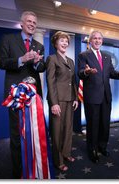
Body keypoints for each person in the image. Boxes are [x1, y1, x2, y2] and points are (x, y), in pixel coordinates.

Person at [0, 11, 45, 178]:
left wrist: (38, 63)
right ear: (22, 23)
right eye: (29, 21)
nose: (32, 24)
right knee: (18, 135)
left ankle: (34, 170)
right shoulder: (8, 39)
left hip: (33, 96)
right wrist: (21, 60)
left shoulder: (39, 45)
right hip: (15, 96)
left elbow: (41, 68)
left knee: (34, 135)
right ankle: (19, 174)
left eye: (34, 22)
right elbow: (0, 62)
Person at [78, 30, 119, 163]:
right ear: (90, 41)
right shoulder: (83, 55)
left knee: (104, 124)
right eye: (95, 38)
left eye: (100, 39)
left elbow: (112, 73)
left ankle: (102, 146)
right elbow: (80, 73)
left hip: (106, 97)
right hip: (92, 97)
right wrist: (86, 72)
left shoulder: (106, 56)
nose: (97, 41)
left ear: (102, 41)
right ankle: (92, 150)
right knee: (93, 125)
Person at [46, 31, 78, 171]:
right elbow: (50, 82)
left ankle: (66, 153)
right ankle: (58, 161)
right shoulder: (52, 59)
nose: (65, 43)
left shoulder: (70, 61)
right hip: (58, 100)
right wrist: (54, 103)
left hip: (70, 99)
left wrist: (76, 97)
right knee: (57, 132)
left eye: (66, 41)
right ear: (55, 43)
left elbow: (73, 81)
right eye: (62, 41)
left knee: (67, 129)